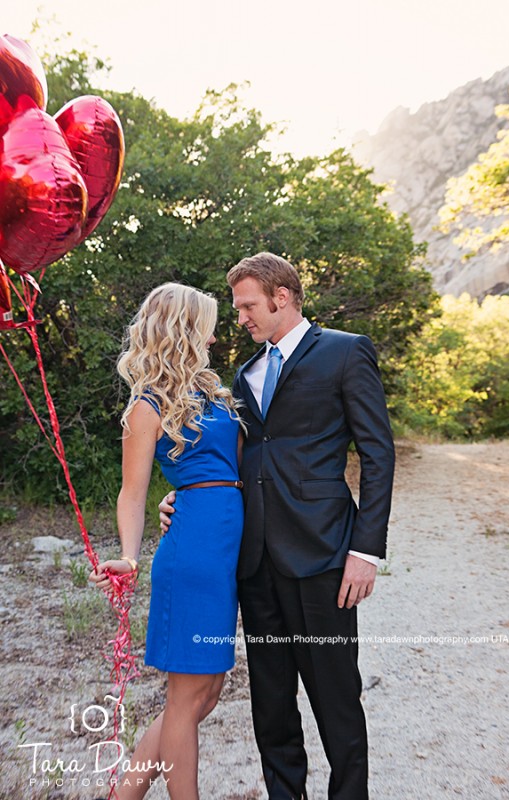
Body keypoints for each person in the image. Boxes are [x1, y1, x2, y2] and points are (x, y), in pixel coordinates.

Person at [159, 253, 395, 799]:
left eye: (247, 305)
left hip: (323, 555)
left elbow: (378, 455)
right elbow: (236, 457)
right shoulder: (244, 374)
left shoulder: (344, 351)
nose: (240, 317)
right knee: (271, 705)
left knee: (336, 699)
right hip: (255, 560)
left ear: (280, 296)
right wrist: (185, 496)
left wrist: (367, 551)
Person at [89, 282, 244, 800]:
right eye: (208, 323)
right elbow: (132, 493)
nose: (217, 333)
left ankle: (124, 793)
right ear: (184, 328)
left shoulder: (212, 390)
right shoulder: (146, 405)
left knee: (207, 693)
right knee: (187, 697)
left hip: (223, 543)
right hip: (194, 552)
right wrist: (130, 556)